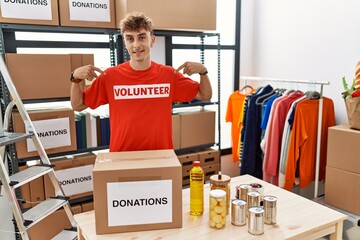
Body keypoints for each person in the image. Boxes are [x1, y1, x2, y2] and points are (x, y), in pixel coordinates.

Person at [70, 12, 212, 152]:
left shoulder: (168, 75)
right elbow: (78, 105)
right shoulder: (110, 76)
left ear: (152, 40)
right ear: (124, 42)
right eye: (130, 39)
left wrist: (203, 72)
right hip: (122, 157)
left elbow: (205, 95)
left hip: (161, 157)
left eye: (142, 37)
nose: (136, 45)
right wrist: (75, 79)